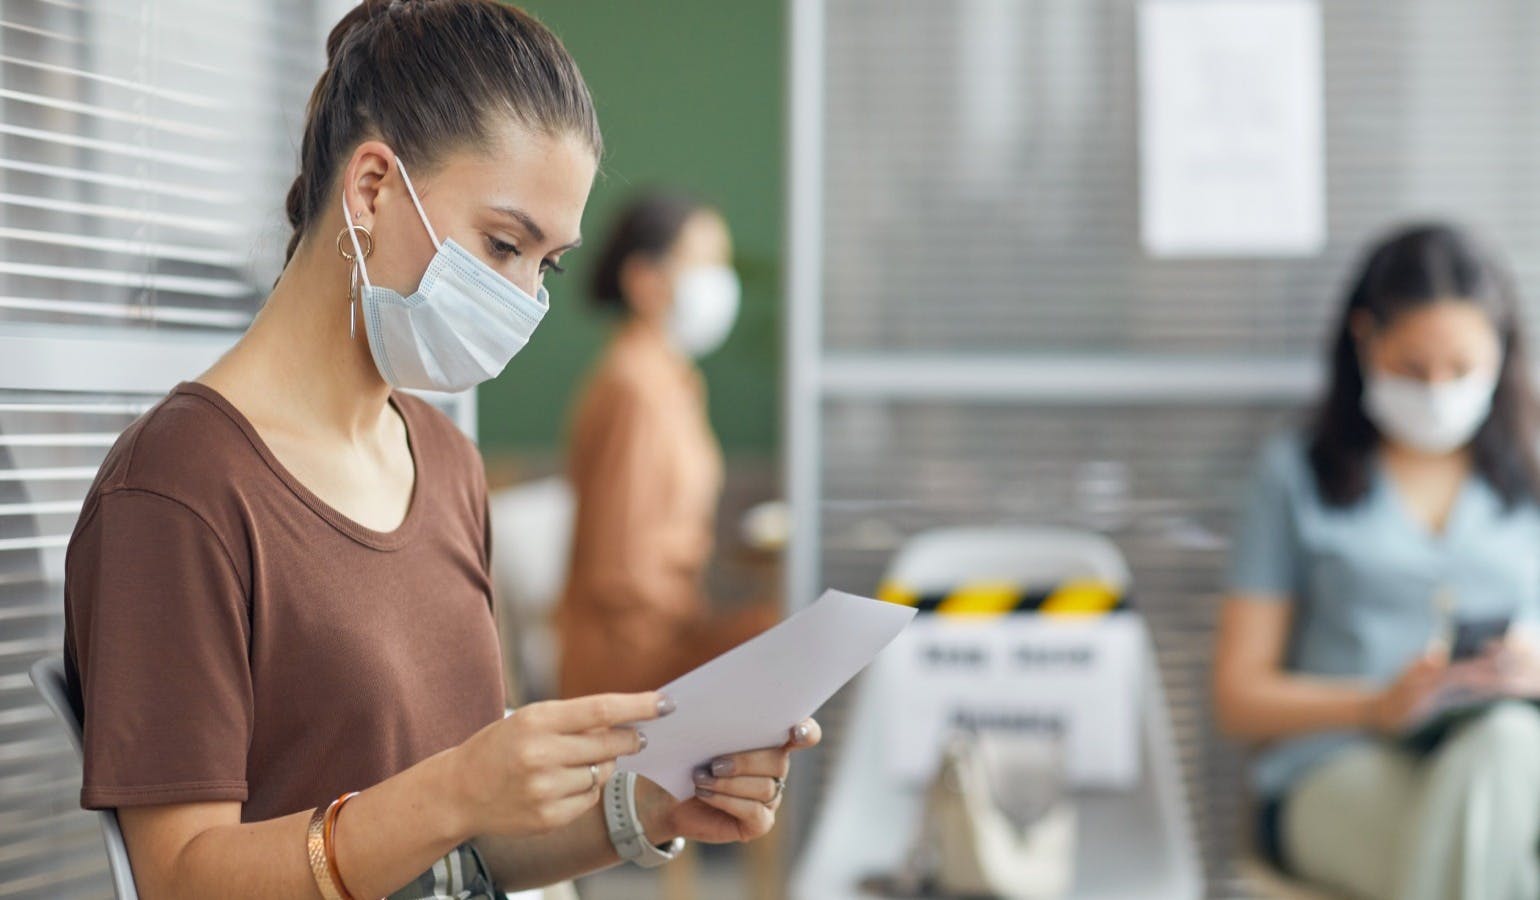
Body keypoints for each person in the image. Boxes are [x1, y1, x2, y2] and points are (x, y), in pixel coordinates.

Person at [61, 3, 818, 898]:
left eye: (549, 264)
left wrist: (654, 807)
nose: (525, 299)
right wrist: (456, 789)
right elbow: (183, 881)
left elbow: (462, 856)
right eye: (504, 244)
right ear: (373, 188)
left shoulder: (445, 463)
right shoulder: (178, 491)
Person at [1214, 223, 1540, 900]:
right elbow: (1237, 696)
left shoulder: (1530, 473)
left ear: (1502, 353)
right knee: (1497, 857)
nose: (1438, 390)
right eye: (1413, 368)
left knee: (1506, 747)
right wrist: (1375, 705)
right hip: (1337, 767)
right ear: (1365, 340)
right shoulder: (1294, 477)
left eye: (1461, 370)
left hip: (1507, 752)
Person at [556, 192, 778, 699]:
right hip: (631, 667)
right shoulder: (634, 388)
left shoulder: (670, 380)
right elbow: (624, 572)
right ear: (645, 281)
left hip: (669, 637)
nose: (723, 284)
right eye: (706, 265)